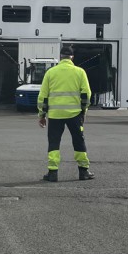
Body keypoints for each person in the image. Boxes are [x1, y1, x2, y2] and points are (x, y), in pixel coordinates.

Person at [37, 45, 94, 182]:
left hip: (55, 115)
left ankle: (52, 173)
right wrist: (83, 111)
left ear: (60, 57)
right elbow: (86, 94)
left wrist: (42, 115)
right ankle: (83, 171)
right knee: (78, 141)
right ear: (72, 57)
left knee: (54, 142)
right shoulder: (80, 72)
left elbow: (43, 96)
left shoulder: (51, 72)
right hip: (75, 114)